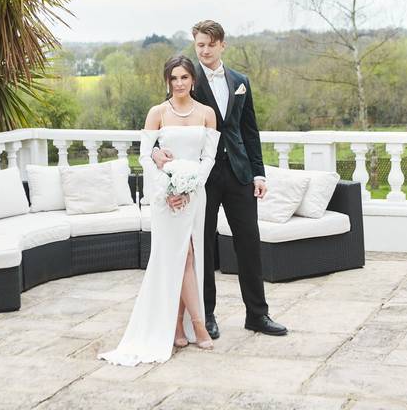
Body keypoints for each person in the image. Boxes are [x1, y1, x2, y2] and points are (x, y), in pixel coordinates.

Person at [153, 20, 287, 339]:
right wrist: (158, 152)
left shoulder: (240, 81)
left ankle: (258, 314)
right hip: (202, 178)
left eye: (210, 44)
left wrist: (258, 173)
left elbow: (249, 131)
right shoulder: (187, 80)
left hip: (240, 175)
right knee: (205, 248)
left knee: (249, 245)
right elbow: (165, 121)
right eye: (200, 44)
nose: (205, 49)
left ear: (222, 45)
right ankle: (207, 316)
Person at [98, 55, 220, 365]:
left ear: (193, 80)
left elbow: (209, 158)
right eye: (173, 78)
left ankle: (180, 325)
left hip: (194, 195)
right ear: (168, 81)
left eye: (184, 77)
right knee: (180, 256)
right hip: (166, 198)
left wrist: (190, 186)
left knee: (189, 255)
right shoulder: (158, 113)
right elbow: (144, 156)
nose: (179, 83)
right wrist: (168, 191)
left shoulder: (207, 114)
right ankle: (198, 327)